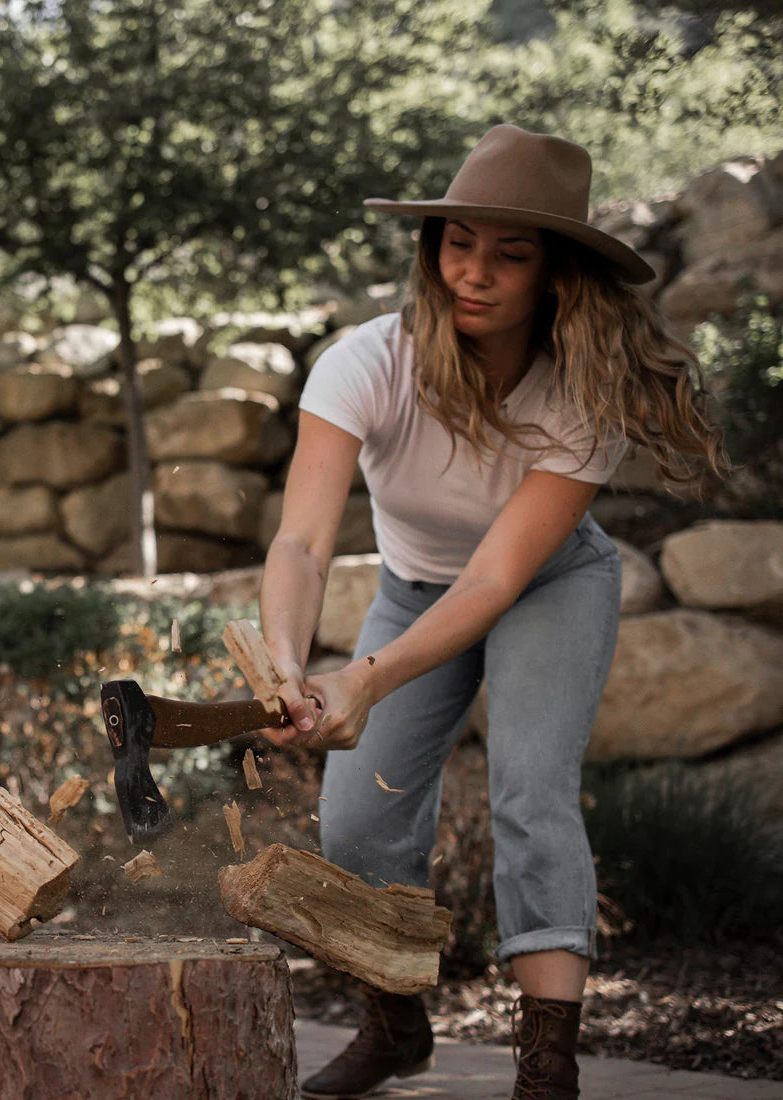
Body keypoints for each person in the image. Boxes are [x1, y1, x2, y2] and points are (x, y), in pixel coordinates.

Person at [257, 124, 725, 1100]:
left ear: (555, 273)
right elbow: (301, 543)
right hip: (410, 589)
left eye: (509, 253)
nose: (473, 272)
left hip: (546, 586)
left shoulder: (585, 390)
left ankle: (546, 1065)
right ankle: (396, 1025)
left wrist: (367, 678)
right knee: (355, 820)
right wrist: (284, 663)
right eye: (457, 242)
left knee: (529, 791)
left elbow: (493, 582)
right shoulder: (363, 363)